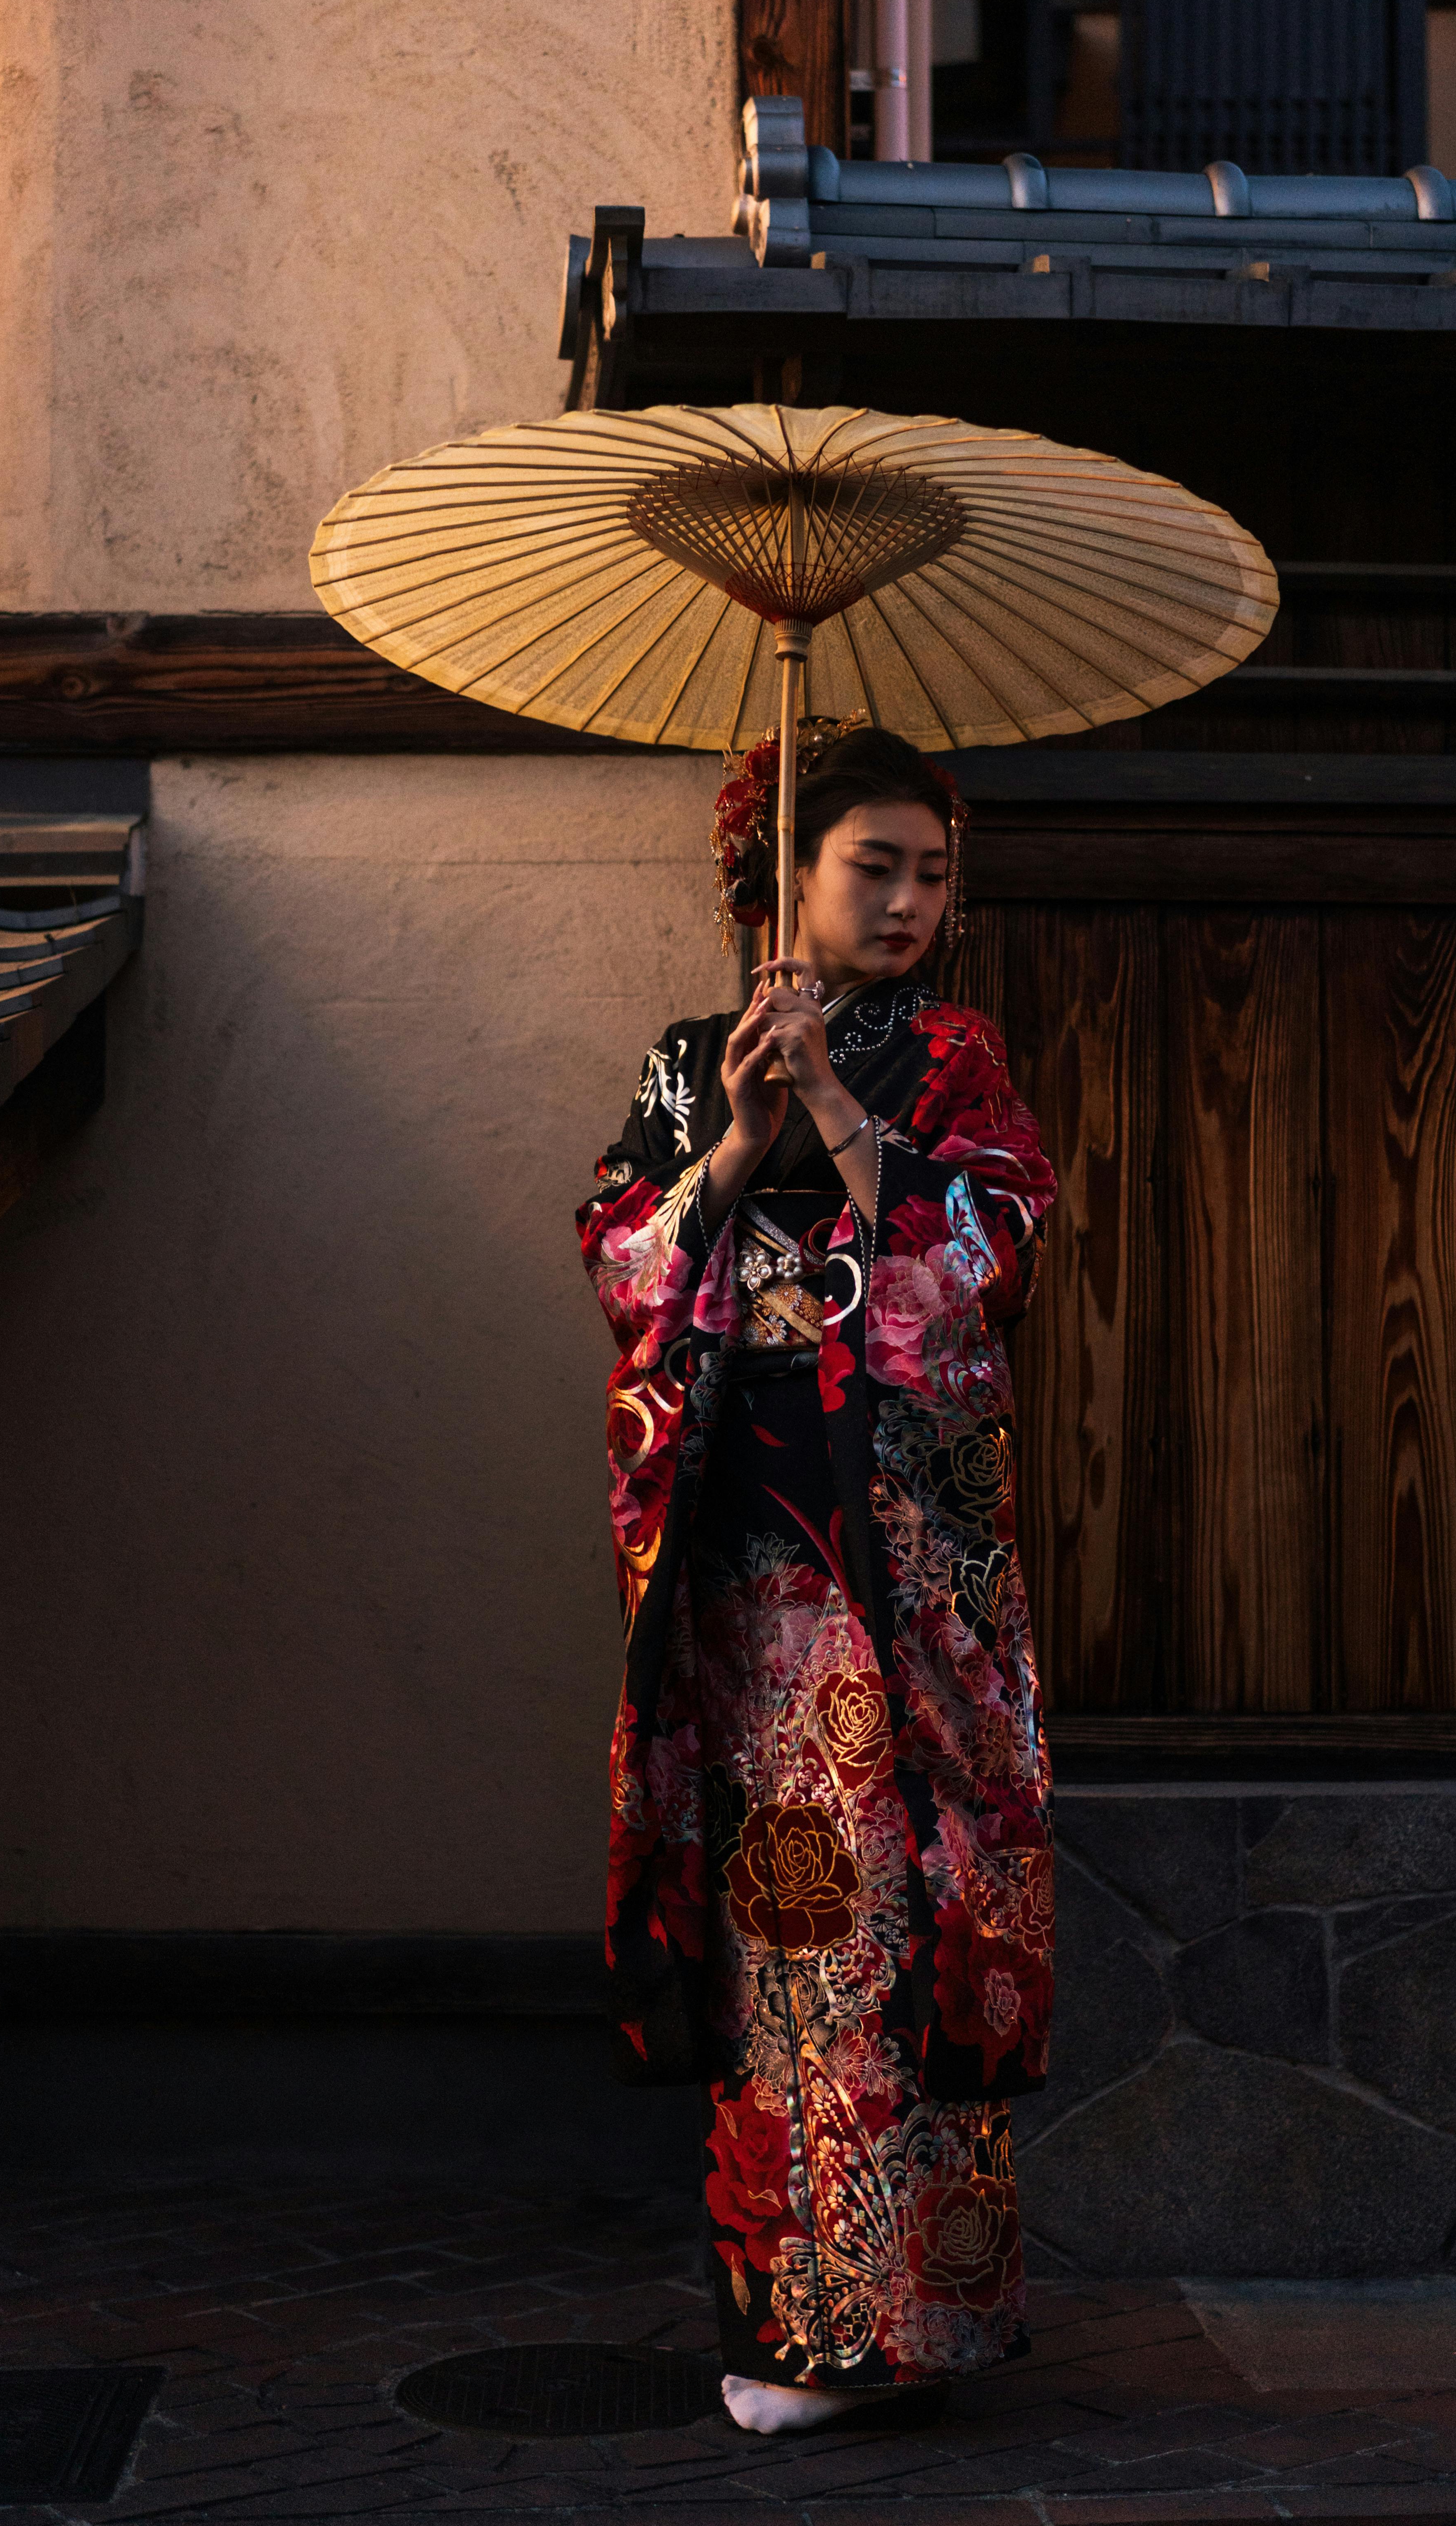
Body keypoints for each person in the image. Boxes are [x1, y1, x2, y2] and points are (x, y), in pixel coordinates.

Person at [575, 722, 1057, 2436]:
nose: (915, 897)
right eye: (876, 864)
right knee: (769, 1934)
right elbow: (623, 1261)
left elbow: (987, 1258)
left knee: (879, 1926)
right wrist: (733, 1142)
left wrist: (844, 1113)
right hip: (737, 1563)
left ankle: (897, 2323)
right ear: (780, 874)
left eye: (936, 868)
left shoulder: (951, 1063)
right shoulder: (693, 1059)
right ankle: (808, 2322)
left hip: (886, 1574)